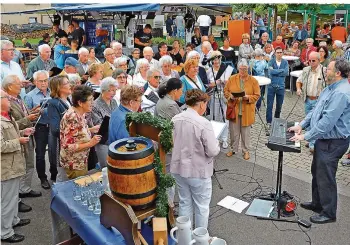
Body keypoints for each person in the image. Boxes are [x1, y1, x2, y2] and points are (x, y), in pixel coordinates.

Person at [290, 59, 350, 224]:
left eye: (328, 69)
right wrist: (301, 125)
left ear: (338, 73)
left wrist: (305, 136)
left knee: (326, 176)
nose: (325, 71)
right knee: (317, 171)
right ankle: (318, 203)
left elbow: (326, 123)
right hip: (324, 140)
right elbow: (316, 111)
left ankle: (329, 212)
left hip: (334, 142)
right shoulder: (330, 88)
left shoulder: (341, 93)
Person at [171, 89, 220, 229]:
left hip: (178, 168)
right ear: (201, 104)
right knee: (201, 207)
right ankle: (200, 240)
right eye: (206, 104)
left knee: (184, 202)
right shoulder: (203, 123)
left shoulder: (176, 118)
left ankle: (184, 238)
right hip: (198, 171)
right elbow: (212, 150)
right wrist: (216, 142)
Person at [2, 75, 40, 212]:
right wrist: (27, 119)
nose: (21, 86)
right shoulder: (6, 103)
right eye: (18, 84)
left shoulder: (18, 98)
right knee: (19, 169)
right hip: (18, 140)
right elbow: (12, 125)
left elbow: (21, 117)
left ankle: (25, 189)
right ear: (10, 86)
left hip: (26, 135)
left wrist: (32, 112)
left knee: (29, 164)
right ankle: (18, 196)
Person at [1, 89, 33, 244]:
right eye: (6, 98)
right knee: (6, 200)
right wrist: (18, 141)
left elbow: (11, 135)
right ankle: (5, 232)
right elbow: (1, 145)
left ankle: (13, 220)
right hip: (6, 168)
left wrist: (22, 131)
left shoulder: (7, 116)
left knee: (13, 197)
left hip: (14, 165)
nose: (10, 100)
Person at [60, 85, 101, 179]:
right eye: (90, 100)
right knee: (78, 190)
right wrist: (91, 143)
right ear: (80, 103)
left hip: (80, 161)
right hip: (75, 164)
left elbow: (76, 133)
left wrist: (91, 129)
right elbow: (67, 146)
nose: (93, 103)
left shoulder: (79, 113)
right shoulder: (72, 118)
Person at [224, 59, 260, 160]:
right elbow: (225, 91)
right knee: (233, 132)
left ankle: (246, 151)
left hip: (247, 111)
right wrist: (230, 96)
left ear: (248, 69)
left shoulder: (253, 81)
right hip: (234, 110)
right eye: (241, 69)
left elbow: (257, 95)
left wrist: (248, 97)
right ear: (238, 69)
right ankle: (233, 149)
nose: (243, 71)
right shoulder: (232, 78)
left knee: (245, 133)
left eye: (245, 69)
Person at [296, 51, 327, 153]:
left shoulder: (324, 71)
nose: (311, 62)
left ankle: (313, 145)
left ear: (319, 60)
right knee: (308, 122)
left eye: (313, 60)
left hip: (318, 101)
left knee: (315, 122)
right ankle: (310, 140)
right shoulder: (306, 70)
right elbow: (298, 81)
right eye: (309, 60)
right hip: (307, 99)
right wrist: (299, 89)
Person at [206, 51, 235, 149]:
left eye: (218, 58)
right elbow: (207, 85)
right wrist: (216, 82)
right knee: (214, 118)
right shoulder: (209, 71)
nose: (216, 61)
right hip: (213, 96)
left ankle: (224, 139)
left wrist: (227, 82)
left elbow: (232, 83)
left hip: (224, 96)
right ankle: (216, 138)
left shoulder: (227, 69)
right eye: (214, 59)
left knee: (224, 118)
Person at [47, 75, 72, 182]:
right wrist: (73, 131)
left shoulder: (68, 100)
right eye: (67, 83)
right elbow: (55, 128)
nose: (70, 85)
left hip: (68, 142)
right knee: (62, 175)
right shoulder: (53, 103)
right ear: (59, 87)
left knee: (69, 174)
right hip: (60, 144)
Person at [91, 77, 118, 168]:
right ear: (103, 90)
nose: (114, 93)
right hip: (103, 140)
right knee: (106, 168)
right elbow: (99, 125)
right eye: (111, 90)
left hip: (114, 137)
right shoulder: (95, 105)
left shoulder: (114, 102)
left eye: (115, 90)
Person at [266, 47, 289, 126]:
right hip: (271, 86)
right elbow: (270, 72)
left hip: (281, 87)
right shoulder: (271, 62)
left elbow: (286, 73)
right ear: (275, 53)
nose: (279, 54)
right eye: (278, 52)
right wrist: (281, 71)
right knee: (269, 105)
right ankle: (269, 122)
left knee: (279, 106)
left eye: (280, 52)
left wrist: (275, 71)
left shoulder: (285, 62)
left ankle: (276, 120)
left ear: (282, 53)